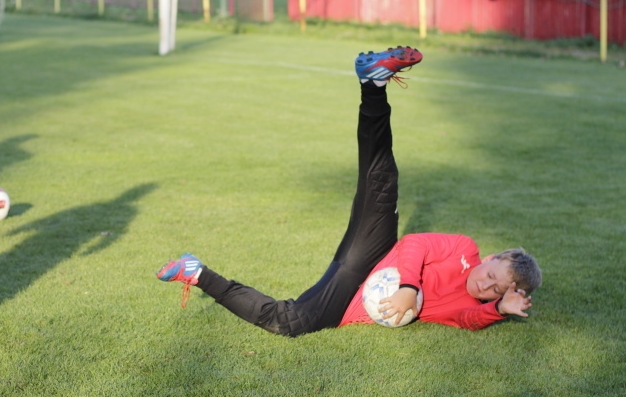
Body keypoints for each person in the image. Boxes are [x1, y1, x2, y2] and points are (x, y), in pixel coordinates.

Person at [157, 47, 540, 338]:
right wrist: (409, 288)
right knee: (380, 180)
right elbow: (414, 246)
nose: (485, 285)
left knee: (288, 322)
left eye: (495, 290)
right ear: (491, 257)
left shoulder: (473, 304)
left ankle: (196, 272)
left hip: (351, 298)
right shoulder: (464, 249)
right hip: (373, 253)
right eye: (492, 274)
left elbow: (468, 320)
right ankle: (373, 84)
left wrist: (499, 310)